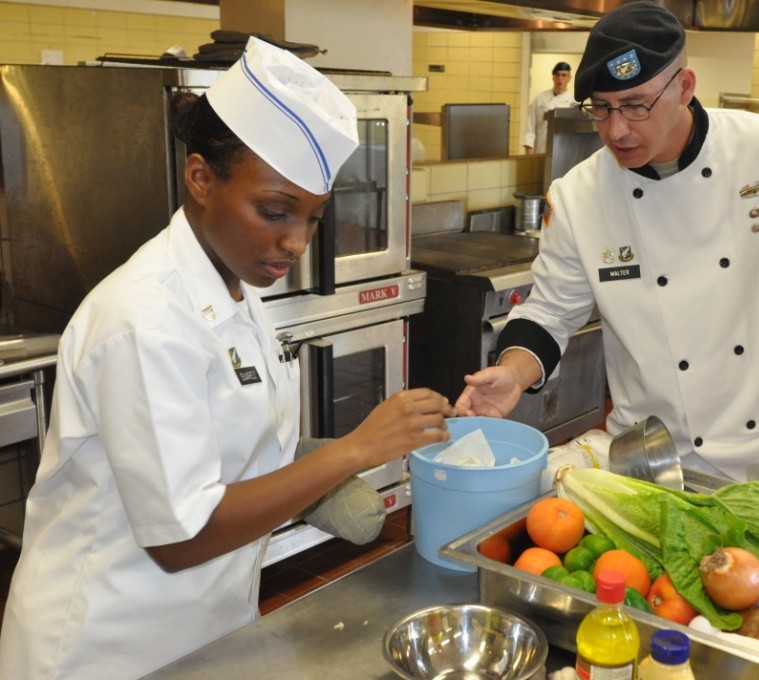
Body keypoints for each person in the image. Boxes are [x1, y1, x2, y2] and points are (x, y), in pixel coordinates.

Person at [0, 37, 455, 679]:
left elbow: (227, 452)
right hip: (106, 645)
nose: (295, 241)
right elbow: (180, 536)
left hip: (209, 626)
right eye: (274, 211)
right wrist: (353, 450)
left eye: (313, 218)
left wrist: (317, 470)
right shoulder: (144, 318)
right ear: (200, 178)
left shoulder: (235, 286)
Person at [455, 1, 759, 501]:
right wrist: (512, 372)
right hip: (649, 451)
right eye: (601, 108)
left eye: (637, 105)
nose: (617, 130)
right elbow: (551, 309)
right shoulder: (579, 196)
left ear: (684, 86)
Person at [522, 61, 575, 154]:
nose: (560, 78)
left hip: (564, 152)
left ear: (569, 78)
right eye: (557, 75)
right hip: (541, 151)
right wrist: (529, 155)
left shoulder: (573, 102)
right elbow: (530, 128)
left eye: (564, 75)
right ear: (553, 77)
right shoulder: (539, 99)